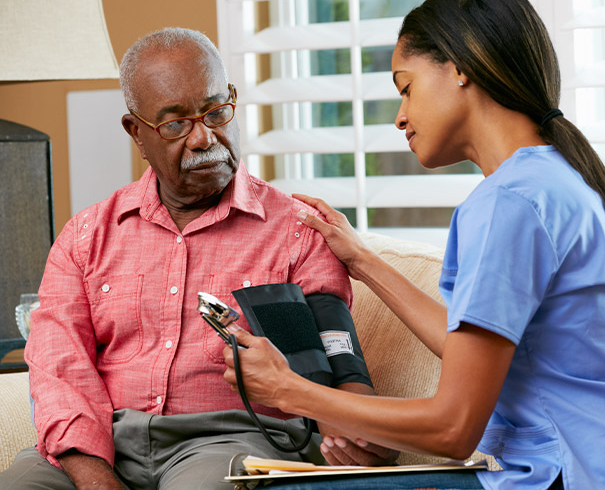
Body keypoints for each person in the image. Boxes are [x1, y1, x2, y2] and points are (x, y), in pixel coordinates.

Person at [221, 0, 605, 490]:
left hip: (566, 475)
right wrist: (362, 261)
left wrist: (291, 391)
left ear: (460, 66)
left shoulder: (508, 204)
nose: (400, 116)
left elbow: (453, 427)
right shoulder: (577, 180)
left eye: (406, 87)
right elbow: (476, 349)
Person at [0, 27, 396, 490]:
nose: (204, 137)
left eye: (216, 111)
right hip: (102, 442)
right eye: (175, 123)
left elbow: (337, 360)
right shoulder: (86, 236)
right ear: (137, 133)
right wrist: (95, 479)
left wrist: (365, 433)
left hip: (228, 443)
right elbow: (57, 368)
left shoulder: (298, 231)